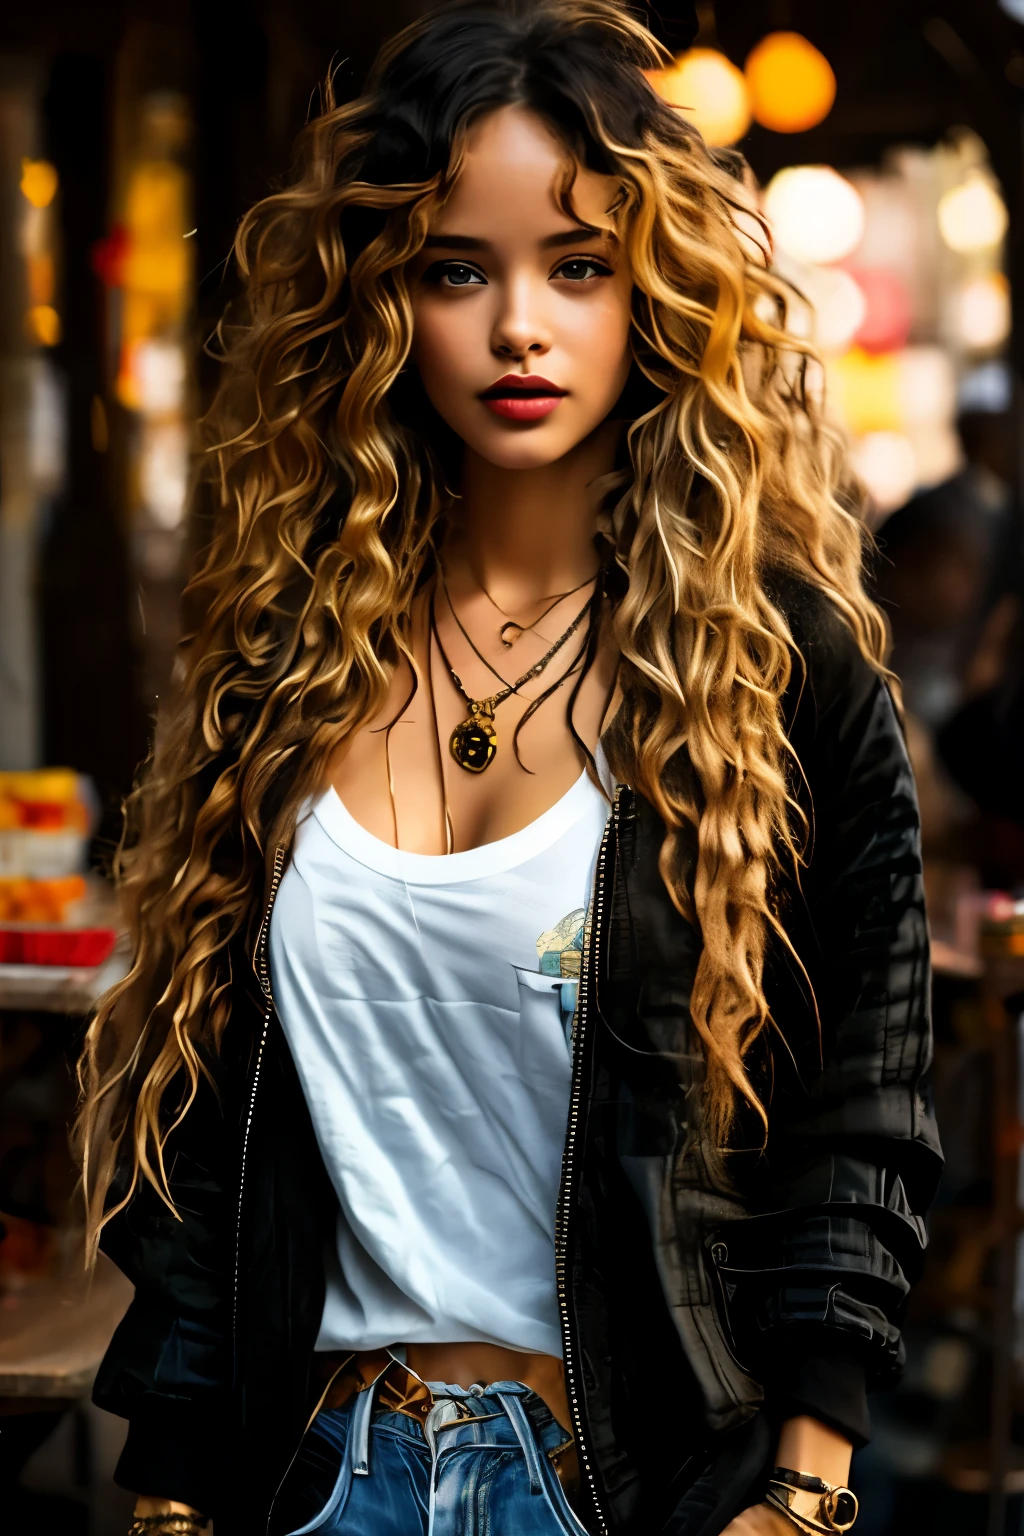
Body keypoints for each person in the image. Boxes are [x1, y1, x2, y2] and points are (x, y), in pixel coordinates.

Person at [76, 4, 942, 1535]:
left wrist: (804, 1489)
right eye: (455, 267)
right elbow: (208, 1124)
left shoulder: (775, 668)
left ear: (653, 293)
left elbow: (854, 1110)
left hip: (629, 1485)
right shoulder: (290, 656)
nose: (519, 324)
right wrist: (169, 1493)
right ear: (383, 302)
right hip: (312, 1479)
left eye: (578, 265)